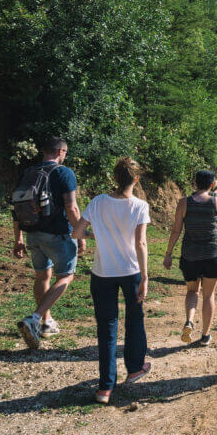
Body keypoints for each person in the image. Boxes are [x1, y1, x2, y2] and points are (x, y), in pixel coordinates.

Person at [71, 157, 152, 405]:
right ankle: (135, 368)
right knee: (134, 318)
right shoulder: (140, 205)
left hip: (102, 272)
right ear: (135, 179)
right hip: (131, 271)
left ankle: (105, 388)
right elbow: (140, 243)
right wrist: (145, 276)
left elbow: (76, 232)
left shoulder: (97, 202)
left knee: (106, 327)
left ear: (115, 178)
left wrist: (95, 234)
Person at [13, 137, 85, 350]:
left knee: (42, 276)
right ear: (61, 152)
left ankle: (46, 322)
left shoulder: (28, 172)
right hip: (58, 234)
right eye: (65, 153)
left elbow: (17, 208)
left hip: (33, 233)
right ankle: (34, 319)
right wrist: (80, 235)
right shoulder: (64, 173)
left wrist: (18, 238)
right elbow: (71, 208)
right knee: (66, 276)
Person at [163, 169, 217, 345]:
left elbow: (176, 230)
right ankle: (205, 335)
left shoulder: (183, 203)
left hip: (190, 254)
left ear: (194, 183)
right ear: (212, 184)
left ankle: (189, 321)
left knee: (192, 291)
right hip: (213, 253)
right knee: (208, 295)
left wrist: (168, 253)